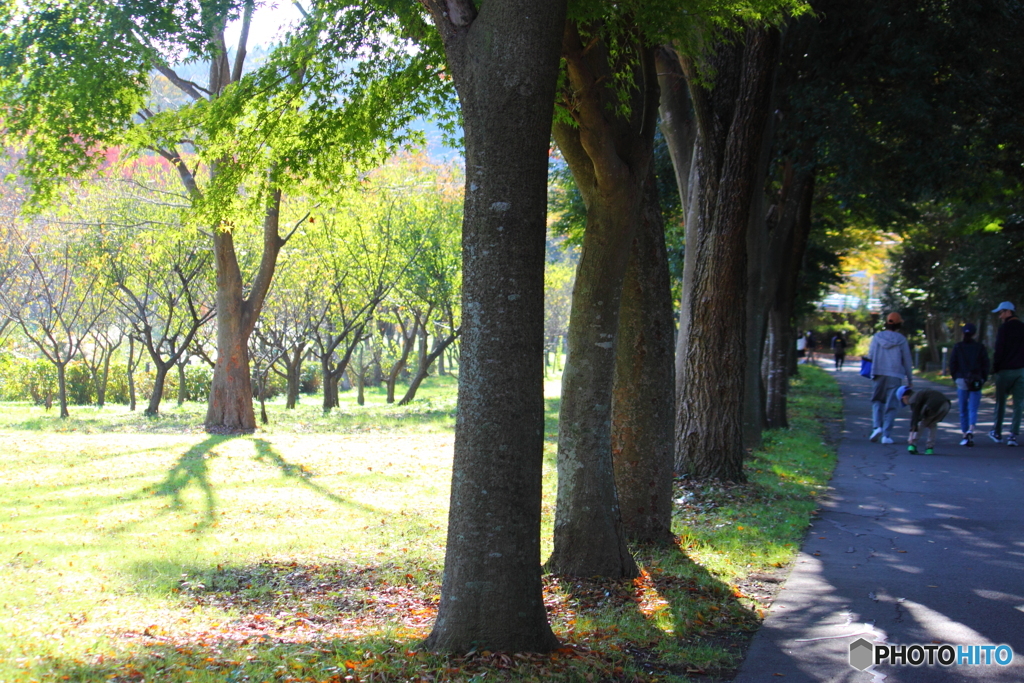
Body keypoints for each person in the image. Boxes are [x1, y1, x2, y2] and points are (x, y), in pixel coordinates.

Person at [868, 312, 914, 444]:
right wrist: (910, 380)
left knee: (877, 400)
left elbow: (870, 355)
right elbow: (907, 361)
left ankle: (877, 427)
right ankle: (886, 435)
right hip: (895, 374)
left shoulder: (877, 337)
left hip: (878, 373)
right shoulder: (901, 340)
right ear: (899, 324)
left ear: (886, 323)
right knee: (891, 404)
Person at [989, 301, 1024, 447]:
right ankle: (1013, 435)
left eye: (1001, 312)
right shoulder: (1023, 328)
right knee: (1018, 403)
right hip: (1021, 371)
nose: (999, 316)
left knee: (1001, 402)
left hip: (1004, 371)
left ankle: (997, 432)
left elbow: (999, 350)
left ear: (1008, 312)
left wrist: (995, 368)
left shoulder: (1004, 329)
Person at [948, 323, 989, 447]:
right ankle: (971, 429)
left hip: (961, 379)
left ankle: (964, 433)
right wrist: (983, 378)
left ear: (962, 333)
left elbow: (952, 364)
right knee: (973, 408)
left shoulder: (958, 347)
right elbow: (985, 364)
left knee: (963, 409)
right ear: (974, 334)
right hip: (976, 380)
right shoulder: (980, 347)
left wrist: (955, 377)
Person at [897, 386, 951, 455]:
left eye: (903, 402)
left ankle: (913, 444)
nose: (905, 403)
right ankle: (929, 448)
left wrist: (911, 436)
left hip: (933, 405)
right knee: (932, 424)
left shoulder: (913, 399)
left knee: (922, 423)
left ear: (904, 397)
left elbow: (915, 418)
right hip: (946, 404)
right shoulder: (918, 395)